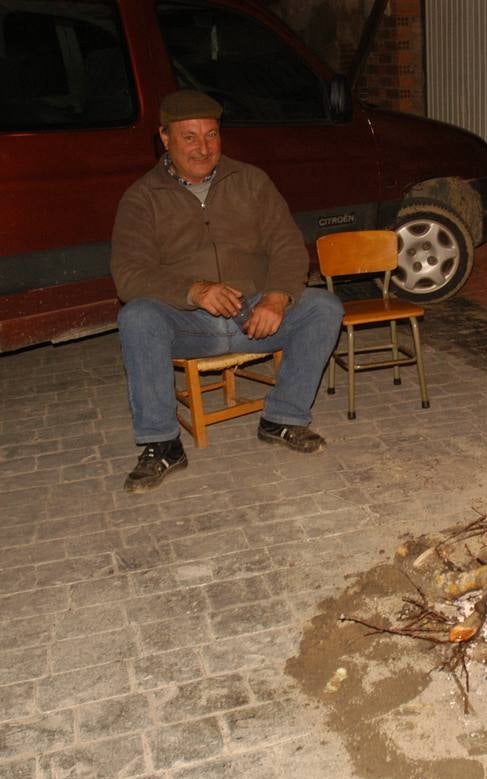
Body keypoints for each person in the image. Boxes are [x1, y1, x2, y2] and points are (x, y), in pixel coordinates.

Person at [110, 89, 343, 493]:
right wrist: (192, 290)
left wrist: (277, 296)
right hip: (186, 323)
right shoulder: (142, 198)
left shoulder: (251, 181)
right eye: (190, 137)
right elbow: (129, 274)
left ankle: (283, 419)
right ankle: (162, 444)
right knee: (136, 317)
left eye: (211, 135)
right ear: (164, 138)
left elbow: (287, 245)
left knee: (324, 307)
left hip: (252, 312)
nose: (203, 148)